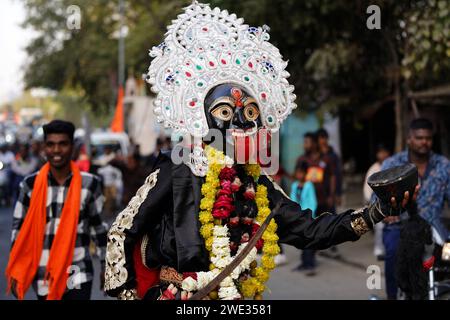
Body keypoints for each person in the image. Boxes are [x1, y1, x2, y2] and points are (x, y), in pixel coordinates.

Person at [104, 2, 415, 300]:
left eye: (250, 112)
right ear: (204, 118)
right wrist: (131, 293)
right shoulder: (181, 166)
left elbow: (310, 231)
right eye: (226, 112)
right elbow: (122, 231)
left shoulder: (257, 183)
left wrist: (375, 212)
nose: (240, 121)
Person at [6, 120, 108, 300]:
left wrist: (106, 265)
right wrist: (16, 270)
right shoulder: (29, 185)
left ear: (72, 147)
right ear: (44, 147)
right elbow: (18, 231)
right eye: (51, 144)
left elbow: (98, 228)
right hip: (44, 275)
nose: (56, 150)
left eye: (63, 144)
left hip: (79, 272)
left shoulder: (90, 184)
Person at [374, 118, 450, 300]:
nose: (424, 142)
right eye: (419, 137)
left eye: (428, 138)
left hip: (434, 227)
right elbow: (376, 199)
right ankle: (393, 296)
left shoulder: (444, 165)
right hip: (400, 225)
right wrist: (387, 214)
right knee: (393, 253)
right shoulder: (392, 164)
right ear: (409, 139)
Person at [364, 144, 391, 260]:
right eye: (381, 152)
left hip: (393, 203)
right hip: (377, 203)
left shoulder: (393, 165)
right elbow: (367, 189)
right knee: (379, 227)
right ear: (377, 154)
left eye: (385, 152)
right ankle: (379, 250)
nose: (383, 155)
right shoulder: (373, 169)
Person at [290, 161, 318, 275]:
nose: (299, 175)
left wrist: (308, 215)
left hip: (308, 217)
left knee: (309, 240)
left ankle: (309, 264)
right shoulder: (294, 185)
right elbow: (292, 200)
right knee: (301, 240)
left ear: (305, 173)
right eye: (297, 173)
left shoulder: (309, 185)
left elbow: (313, 202)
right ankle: (304, 263)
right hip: (299, 217)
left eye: (301, 173)